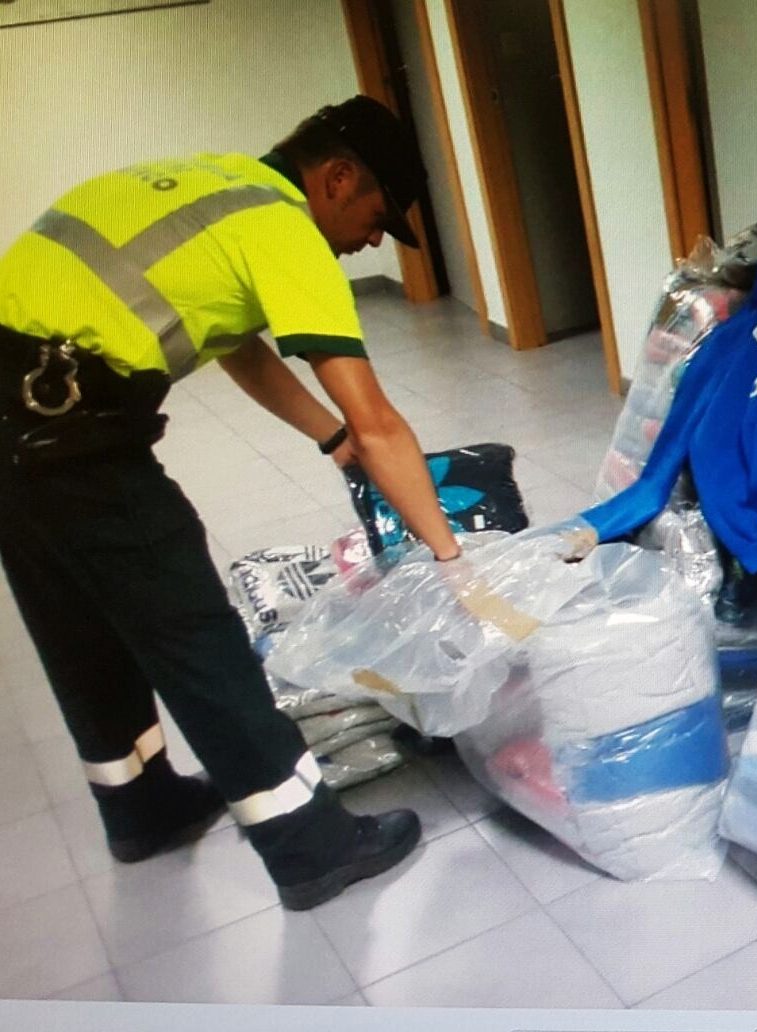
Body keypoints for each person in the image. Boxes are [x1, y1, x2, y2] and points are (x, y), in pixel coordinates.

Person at [0, 95, 462, 910]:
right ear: (338, 177)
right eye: (376, 219)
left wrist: (328, 439)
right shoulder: (283, 228)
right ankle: (311, 846)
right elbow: (380, 422)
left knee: (78, 621)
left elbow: (234, 344)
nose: (370, 243)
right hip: (62, 430)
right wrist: (453, 559)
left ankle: (140, 805)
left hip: (20, 420)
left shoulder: (215, 186)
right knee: (189, 626)